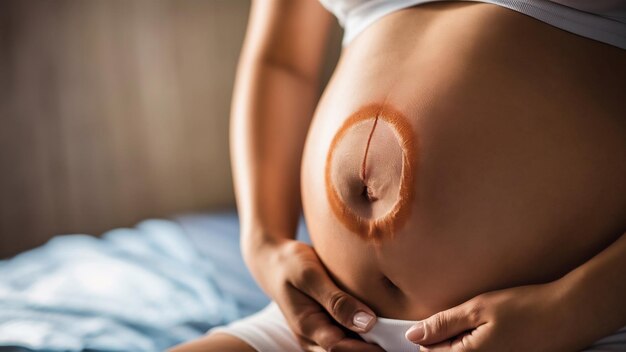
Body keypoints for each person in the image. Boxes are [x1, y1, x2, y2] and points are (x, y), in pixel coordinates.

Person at [173, 0, 626, 351]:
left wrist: (570, 310)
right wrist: (263, 243)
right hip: (331, 325)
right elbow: (280, 60)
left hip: (571, 326)